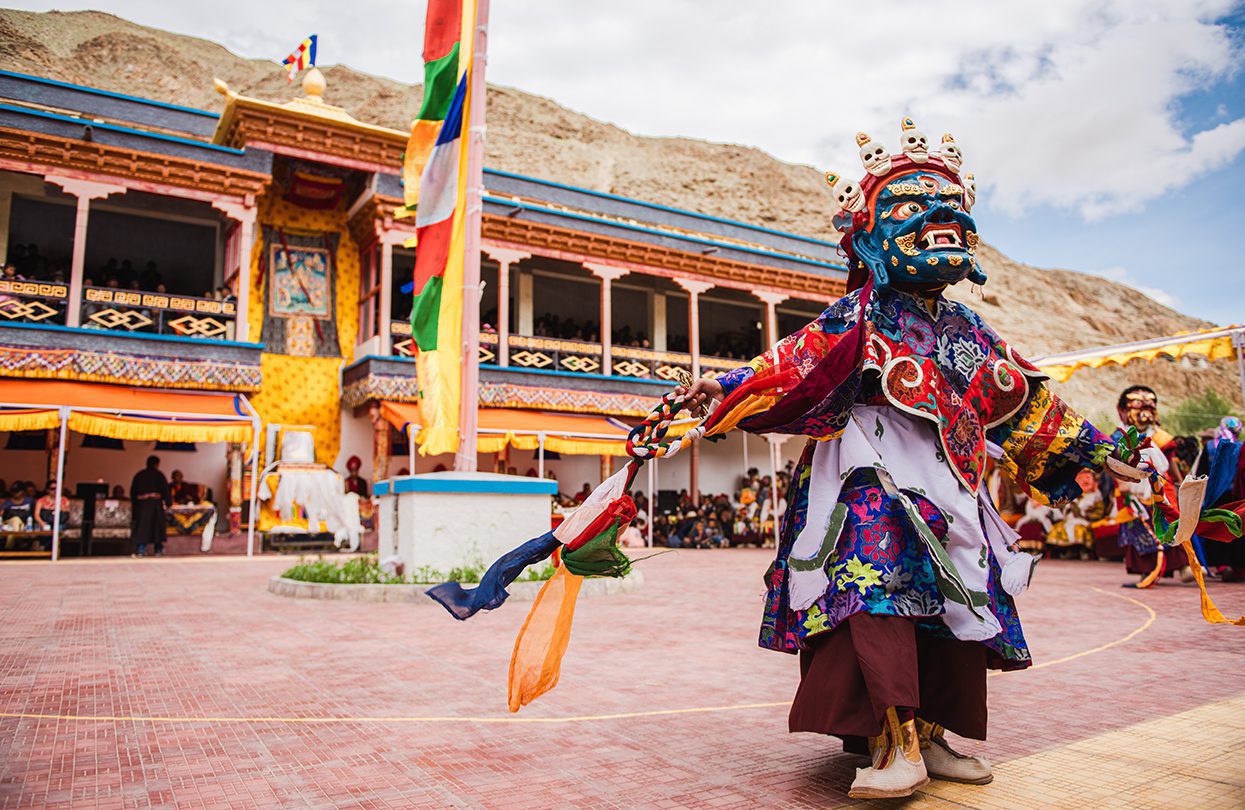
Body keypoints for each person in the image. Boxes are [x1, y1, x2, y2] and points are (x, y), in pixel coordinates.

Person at [672, 122, 1152, 799]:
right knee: (876, 590)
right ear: (868, 235)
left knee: (955, 596)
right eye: (909, 203)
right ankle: (890, 742)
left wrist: (1106, 456)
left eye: (949, 204)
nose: (939, 216)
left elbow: (1028, 402)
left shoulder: (971, 329)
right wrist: (722, 387)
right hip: (863, 472)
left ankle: (929, 734)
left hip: (951, 478)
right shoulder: (856, 314)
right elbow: (790, 362)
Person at [1106, 386, 1194, 586]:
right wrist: (1121, 482)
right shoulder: (1118, 436)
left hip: (1161, 486)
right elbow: (1112, 462)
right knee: (1138, 527)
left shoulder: (1160, 436)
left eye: (1149, 404)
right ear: (1123, 410)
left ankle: (1183, 566)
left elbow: (1170, 460)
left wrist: (1179, 480)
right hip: (1132, 486)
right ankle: (1147, 570)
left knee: (1171, 521)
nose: (1145, 408)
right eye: (1137, 404)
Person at [130, 455, 170, 557]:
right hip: (156, 505)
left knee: (143, 527)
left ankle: (141, 549)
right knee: (156, 528)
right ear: (157, 464)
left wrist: (136, 505)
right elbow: (165, 491)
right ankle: (158, 550)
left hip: (142, 506)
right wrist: (168, 503)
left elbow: (133, 492)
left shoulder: (139, 475)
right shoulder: (159, 475)